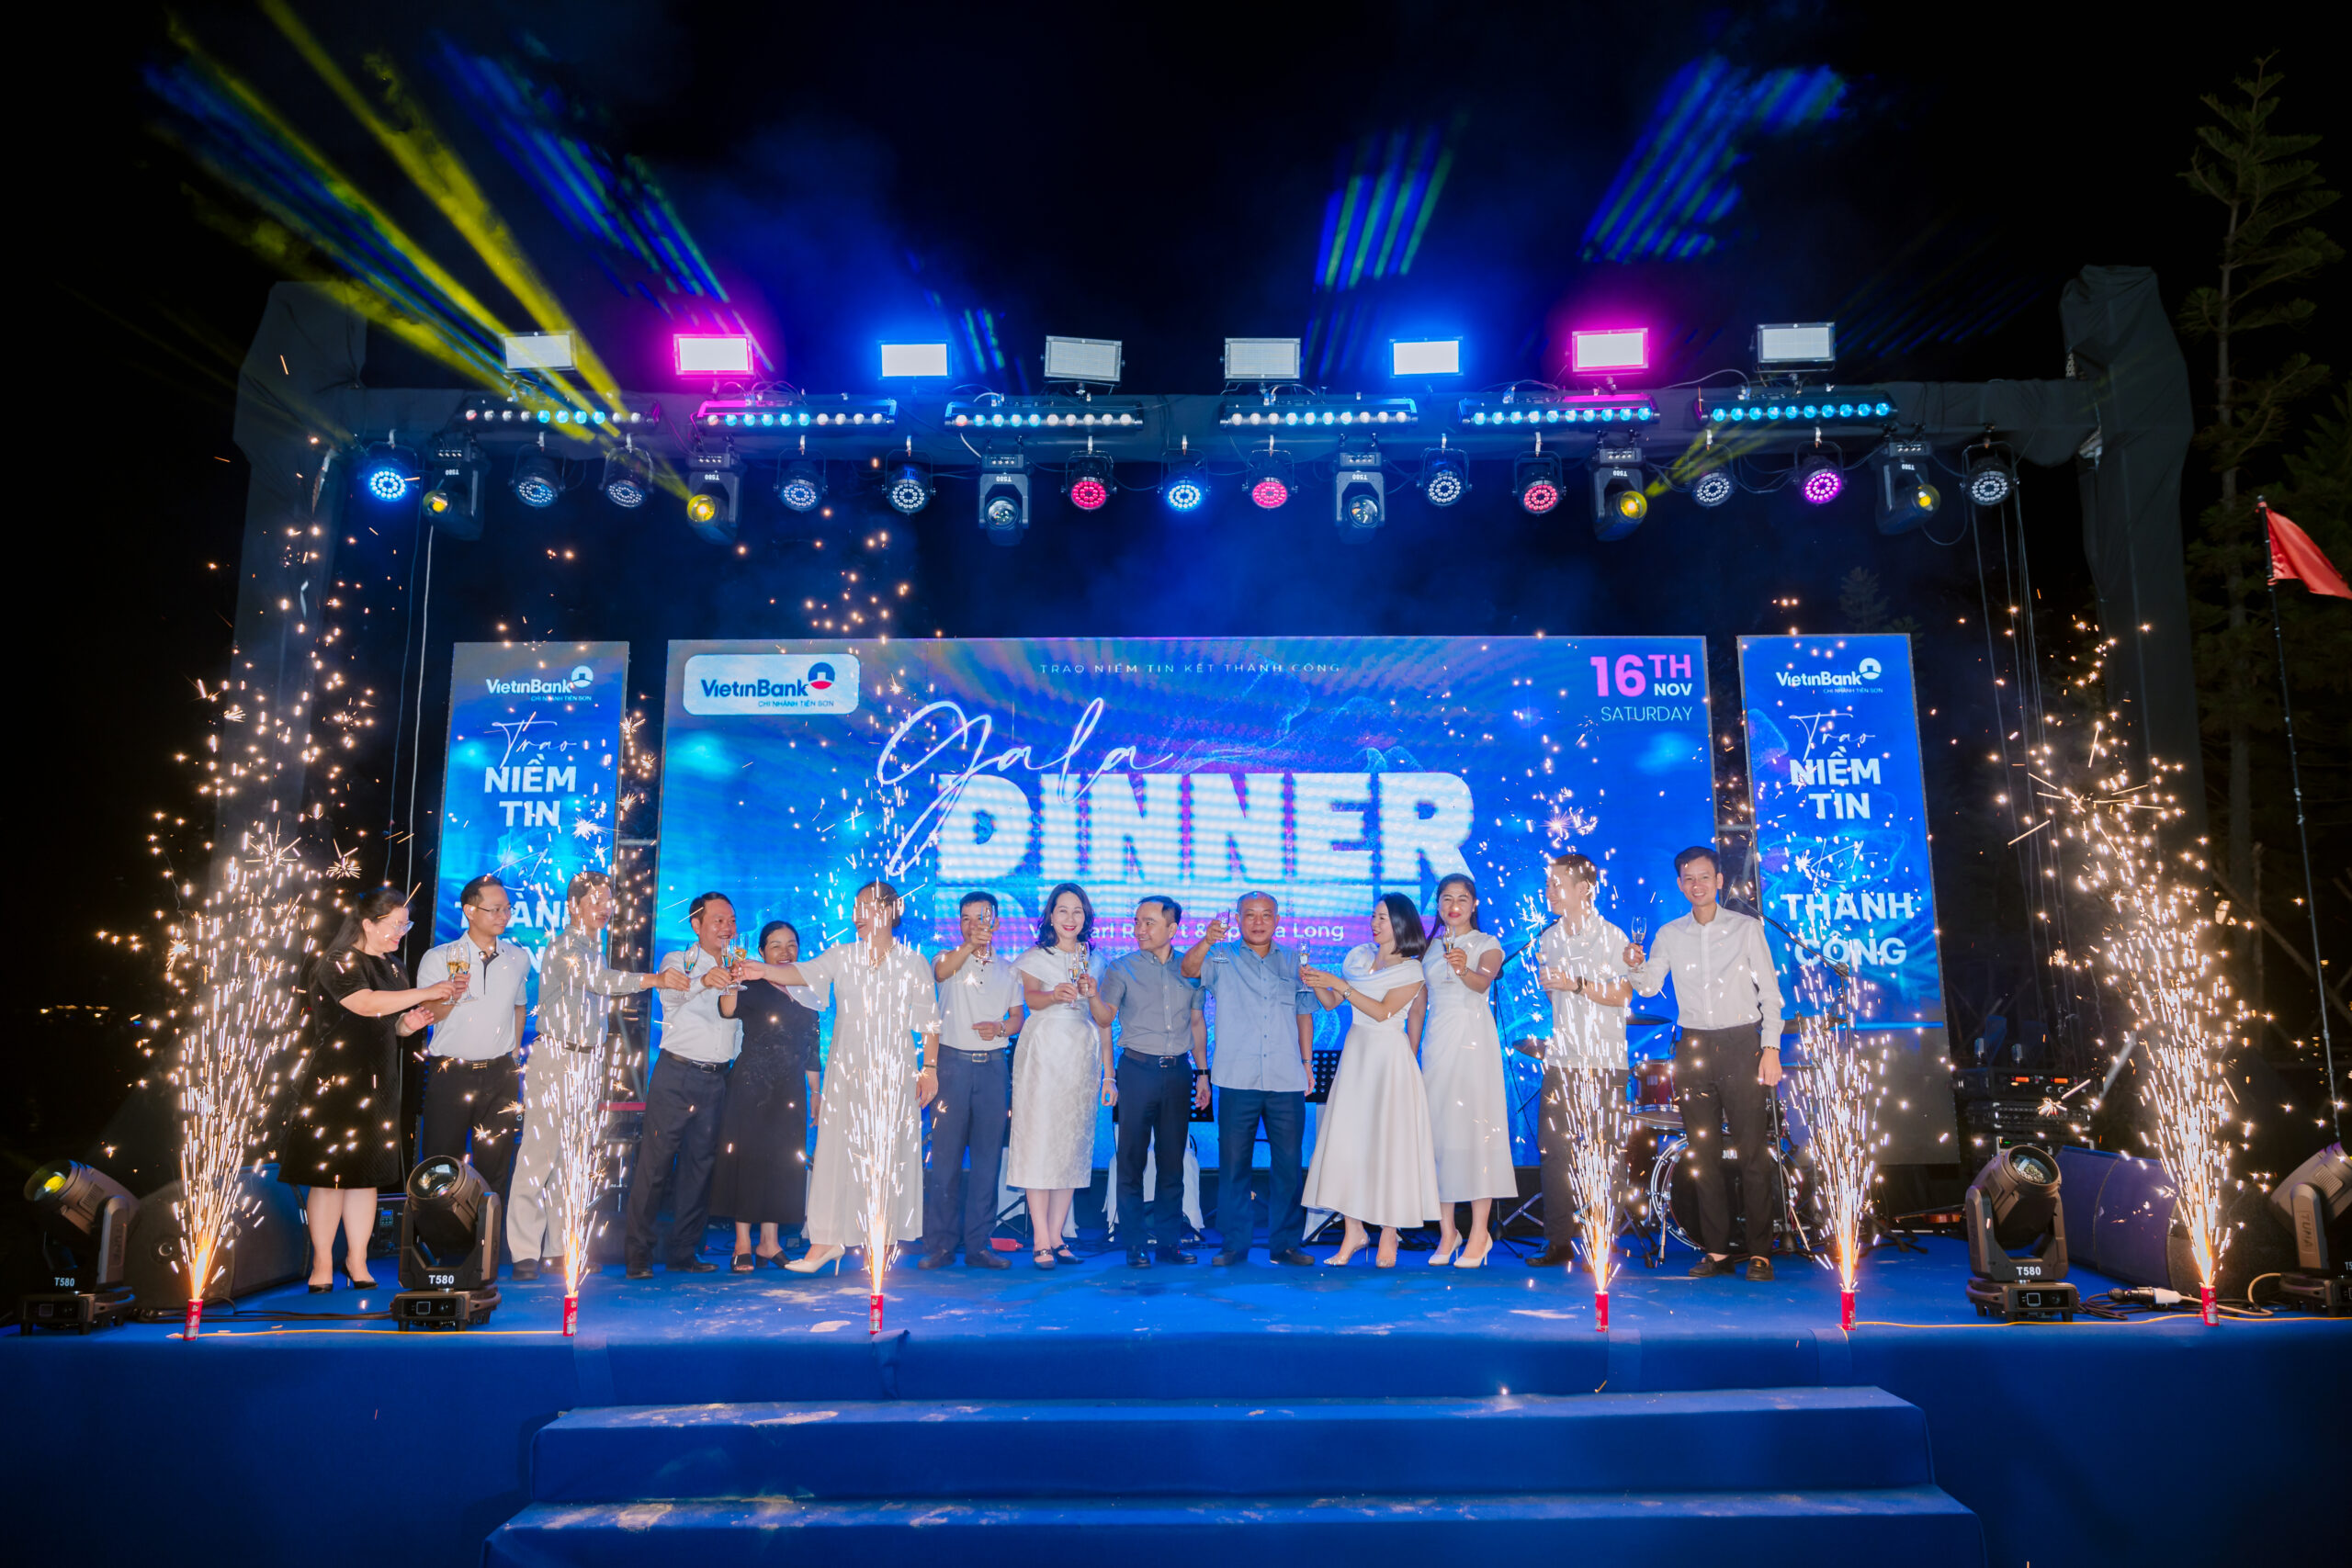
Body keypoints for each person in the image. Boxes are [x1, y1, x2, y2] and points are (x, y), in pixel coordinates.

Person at [738, 880, 942, 1275]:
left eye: (864, 906)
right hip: (847, 1070)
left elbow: (929, 1023)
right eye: (854, 907)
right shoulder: (843, 955)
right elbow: (801, 973)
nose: (855, 915)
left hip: (893, 1071)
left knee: (885, 1156)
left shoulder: (912, 962)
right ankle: (826, 1242)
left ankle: (879, 1241)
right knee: (836, 1153)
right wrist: (760, 969)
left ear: (888, 911)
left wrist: (929, 1069)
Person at [509, 871, 684, 1281]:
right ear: (574, 905)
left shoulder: (593, 946)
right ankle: (524, 1252)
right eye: (596, 900)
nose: (605, 908)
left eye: (608, 900)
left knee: (572, 1158)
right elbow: (599, 982)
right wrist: (655, 980)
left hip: (587, 1060)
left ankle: (559, 1249)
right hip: (557, 1056)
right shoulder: (563, 946)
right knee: (539, 1154)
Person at [1626, 845, 1787, 1280]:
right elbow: (1648, 987)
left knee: (1752, 1151)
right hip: (1694, 1047)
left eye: (1704, 877)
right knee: (1703, 1153)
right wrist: (1634, 966)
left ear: (1719, 881)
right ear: (1680, 885)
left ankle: (1760, 1253)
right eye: (1688, 879)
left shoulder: (1746, 928)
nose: (1696, 885)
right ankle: (1716, 1252)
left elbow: (1770, 994)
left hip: (1741, 1043)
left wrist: (1770, 1047)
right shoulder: (1669, 933)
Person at [280, 886, 451, 1292]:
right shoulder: (339, 960)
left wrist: (408, 1025)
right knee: (329, 1177)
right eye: (394, 924)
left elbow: (388, 1022)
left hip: (380, 1082)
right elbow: (364, 1004)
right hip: (336, 1082)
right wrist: (428, 992)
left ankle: (357, 1261)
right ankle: (322, 1263)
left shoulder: (394, 968)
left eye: (406, 925)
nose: (401, 933)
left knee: (367, 1175)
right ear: (368, 923)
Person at [1181, 892, 1324, 1267]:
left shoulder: (1294, 960)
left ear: (1277, 920)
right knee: (1233, 1165)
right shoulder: (1220, 956)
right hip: (1236, 1076)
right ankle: (1234, 1244)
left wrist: (1307, 1065)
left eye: (1266, 915)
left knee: (1289, 1166)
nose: (1258, 922)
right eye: (1250, 915)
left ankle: (1286, 1244)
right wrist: (1207, 939)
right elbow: (1188, 970)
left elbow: (1304, 1014)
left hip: (1286, 1076)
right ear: (1239, 919)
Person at [1299, 896, 1439, 1268]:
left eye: (1383, 918)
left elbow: (1382, 1012)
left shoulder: (1411, 970)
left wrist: (1340, 985)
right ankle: (1353, 1231)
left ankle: (1390, 1233)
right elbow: (1331, 1003)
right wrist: (1315, 980)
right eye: (1374, 916)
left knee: (1390, 1146)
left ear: (1402, 923)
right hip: (1356, 1057)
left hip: (1389, 1060)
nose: (1375, 923)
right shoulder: (1359, 958)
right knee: (1348, 1142)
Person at [1521, 852, 1634, 1269]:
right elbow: (1554, 997)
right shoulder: (1549, 939)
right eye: (1547, 885)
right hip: (1562, 1060)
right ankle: (1557, 1240)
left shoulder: (1613, 936)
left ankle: (1600, 1239)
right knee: (1554, 1152)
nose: (1549, 892)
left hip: (1604, 1060)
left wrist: (1578, 984)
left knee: (1604, 1153)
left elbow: (1624, 995)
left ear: (1584, 888)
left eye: (1557, 884)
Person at [622, 890, 743, 1278]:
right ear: (697, 924)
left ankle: (684, 1253)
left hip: (717, 1078)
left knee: (699, 1168)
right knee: (655, 1166)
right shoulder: (679, 960)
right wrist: (704, 980)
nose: (727, 928)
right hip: (676, 1075)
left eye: (731, 921)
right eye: (718, 920)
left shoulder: (740, 965)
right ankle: (638, 1255)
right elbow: (672, 999)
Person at [1090, 895, 1209, 1267]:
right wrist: (1091, 995)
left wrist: (1203, 1074)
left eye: (1149, 922)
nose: (1139, 929)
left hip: (1179, 1072)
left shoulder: (1191, 968)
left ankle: (1169, 1244)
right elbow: (1104, 1018)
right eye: (1137, 922)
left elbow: (1197, 1023)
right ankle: (1135, 1244)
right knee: (1131, 1161)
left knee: (1173, 1161)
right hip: (1137, 1070)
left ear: (1172, 929)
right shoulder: (1121, 968)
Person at [710, 919, 824, 1270]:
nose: (785, 951)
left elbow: (812, 1047)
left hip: (791, 1089)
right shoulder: (752, 984)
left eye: (791, 944)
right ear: (761, 952)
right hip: (752, 1084)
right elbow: (727, 1010)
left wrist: (815, 1091)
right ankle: (743, 1242)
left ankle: (769, 1243)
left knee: (782, 1162)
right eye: (775, 945)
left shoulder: (807, 990)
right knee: (749, 1160)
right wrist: (732, 979)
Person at [1418, 873, 1517, 1267]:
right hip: (1436, 1044)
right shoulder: (1428, 948)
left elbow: (1481, 984)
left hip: (1474, 1044)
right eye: (1446, 898)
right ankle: (1448, 1232)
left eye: (1461, 898)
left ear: (1474, 904)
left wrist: (1462, 968)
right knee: (1440, 1135)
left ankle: (1479, 1233)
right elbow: (1419, 1004)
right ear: (1438, 905)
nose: (1453, 905)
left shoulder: (1487, 944)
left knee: (1476, 1133)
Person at [921, 893, 1023, 1270]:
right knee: (944, 1161)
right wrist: (968, 945)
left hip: (993, 1069)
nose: (974, 925)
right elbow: (940, 974)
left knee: (986, 1161)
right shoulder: (946, 958)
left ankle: (979, 1245)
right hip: (951, 1067)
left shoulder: (1010, 971)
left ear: (996, 922)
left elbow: (1017, 1018)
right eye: (966, 918)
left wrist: (1001, 1028)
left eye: (981, 918)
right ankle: (940, 1245)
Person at [1007, 884, 1104, 1269]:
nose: (1070, 918)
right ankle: (1041, 1239)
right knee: (1040, 1141)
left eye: (1077, 911)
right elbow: (1031, 999)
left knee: (1071, 1144)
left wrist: (1090, 994)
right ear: (1050, 915)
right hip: (1044, 1052)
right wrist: (1054, 995)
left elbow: (1102, 1016)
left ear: (1086, 916)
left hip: (1080, 1054)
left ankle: (1059, 1234)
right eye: (1062, 910)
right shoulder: (1035, 956)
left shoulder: (1095, 960)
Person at [415, 874, 530, 1196]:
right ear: (470, 910)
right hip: (450, 1073)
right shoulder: (440, 957)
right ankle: (436, 1229)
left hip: (500, 1076)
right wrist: (451, 994)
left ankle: (487, 1230)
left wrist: (513, 1055)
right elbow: (428, 1015)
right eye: (495, 909)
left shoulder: (518, 957)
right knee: (439, 1168)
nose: (504, 916)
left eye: (507, 909)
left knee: (495, 1168)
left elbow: (519, 1007)